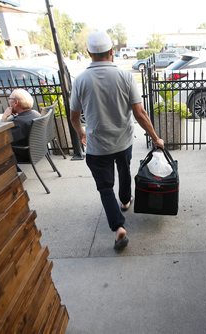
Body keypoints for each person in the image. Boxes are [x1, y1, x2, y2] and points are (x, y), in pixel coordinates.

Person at [70, 31, 165, 252]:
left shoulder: (81, 80)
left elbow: (74, 116)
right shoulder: (125, 77)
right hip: (123, 142)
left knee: (104, 187)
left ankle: (118, 228)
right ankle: (125, 201)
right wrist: (155, 137)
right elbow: (140, 113)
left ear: (89, 53)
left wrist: (81, 133)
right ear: (112, 52)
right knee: (124, 170)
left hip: (97, 146)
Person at [1, 88, 41, 162]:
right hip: (38, 151)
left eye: (9, 99)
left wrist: (4, 118)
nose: (8, 101)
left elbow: (3, 139)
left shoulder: (19, 122)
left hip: (24, 154)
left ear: (16, 103)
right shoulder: (35, 113)